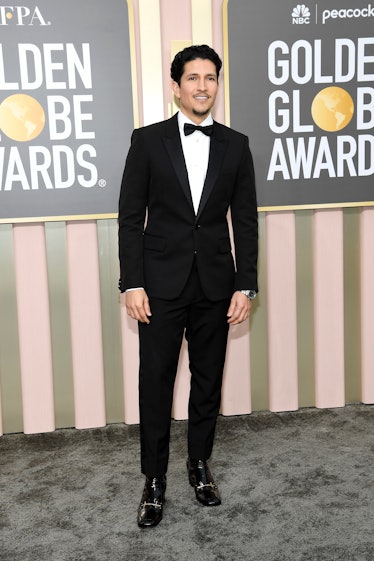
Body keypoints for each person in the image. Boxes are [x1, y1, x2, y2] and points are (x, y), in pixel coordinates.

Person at [118, 44, 258, 528]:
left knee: (207, 382)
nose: (203, 86)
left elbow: (245, 221)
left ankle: (199, 466)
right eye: (193, 78)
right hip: (158, 286)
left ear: (218, 85)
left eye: (211, 78)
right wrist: (132, 282)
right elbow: (130, 218)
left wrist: (247, 286)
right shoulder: (147, 141)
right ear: (176, 86)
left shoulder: (236, 145)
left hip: (217, 286)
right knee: (154, 384)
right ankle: (153, 479)